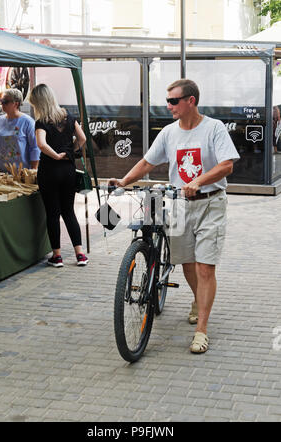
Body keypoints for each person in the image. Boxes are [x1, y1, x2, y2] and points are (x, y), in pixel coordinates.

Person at [109, 79, 240, 354]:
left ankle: (201, 330)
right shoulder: (169, 133)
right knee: (187, 263)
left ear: (190, 101)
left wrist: (199, 181)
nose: (168, 106)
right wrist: (124, 180)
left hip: (210, 203)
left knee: (206, 267)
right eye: (167, 101)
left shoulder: (214, 128)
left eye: (173, 101)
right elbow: (147, 162)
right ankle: (198, 300)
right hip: (179, 206)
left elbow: (227, 164)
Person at [29, 83, 88, 268]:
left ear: (39, 102)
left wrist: (55, 155)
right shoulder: (67, 116)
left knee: (53, 214)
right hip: (68, 169)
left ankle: (57, 256)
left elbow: (41, 143)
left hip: (49, 171)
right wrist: (70, 151)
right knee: (69, 211)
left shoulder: (42, 122)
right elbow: (83, 138)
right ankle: (80, 255)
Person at [0, 88, 40, 172]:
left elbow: (34, 148)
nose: (2, 104)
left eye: (5, 102)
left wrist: (33, 170)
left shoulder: (28, 122)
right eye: (1, 101)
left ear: (16, 103)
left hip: (20, 173)